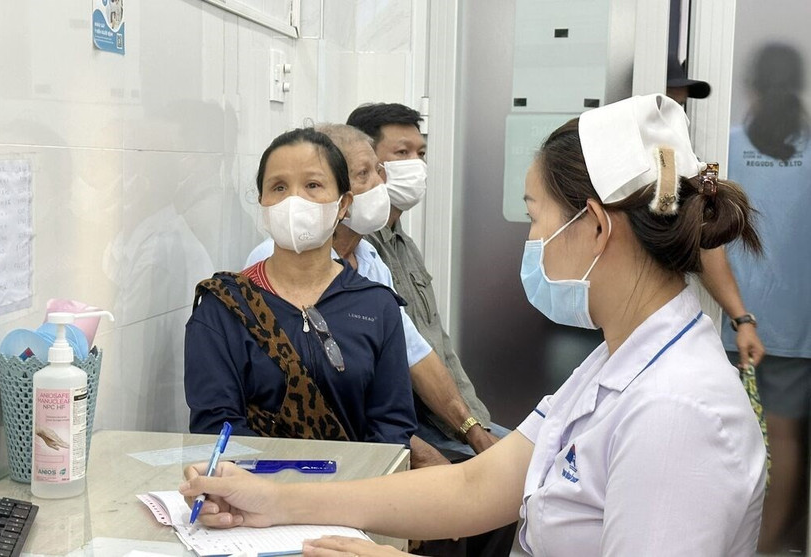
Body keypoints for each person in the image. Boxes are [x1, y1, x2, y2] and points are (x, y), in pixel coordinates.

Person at [180, 94, 768, 556]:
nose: (531, 241)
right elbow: (476, 487)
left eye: (534, 215)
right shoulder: (616, 364)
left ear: (594, 226)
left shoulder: (676, 412)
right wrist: (274, 501)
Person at [245, 124, 499, 468]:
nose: (381, 185)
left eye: (379, 171)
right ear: (338, 196)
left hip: (385, 434)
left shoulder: (369, 259)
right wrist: (424, 457)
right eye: (364, 174)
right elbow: (330, 388)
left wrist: (474, 432)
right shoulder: (275, 266)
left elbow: (415, 353)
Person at [184, 127, 417, 447]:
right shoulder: (223, 308)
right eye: (278, 187)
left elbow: (392, 427)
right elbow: (216, 427)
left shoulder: (376, 306)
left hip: (357, 490)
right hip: (254, 489)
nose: (294, 201)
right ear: (263, 202)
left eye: (312, 185)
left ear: (343, 205)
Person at [345, 103, 509, 453]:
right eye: (401, 153)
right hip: (420, 430)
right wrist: (471, 434)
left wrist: (475, 421)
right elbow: (405, 361)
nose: (416, 165)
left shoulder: (403, 245)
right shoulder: (355, 249)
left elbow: (437, 344)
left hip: (458, 421)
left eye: (420, 153)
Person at [723, 42, 811, 554]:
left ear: (750, 86)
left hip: (729, 322)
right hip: (796, 328)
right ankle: (763, 548)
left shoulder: (725, 145)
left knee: (722, 441)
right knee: (784, 440)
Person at [665, 56, 766, 369]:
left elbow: (707, 243)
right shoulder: (612, 166)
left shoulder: (686, 165)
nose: (674, 117)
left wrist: (742, 319)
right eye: (666, 104)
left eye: (679, 108)